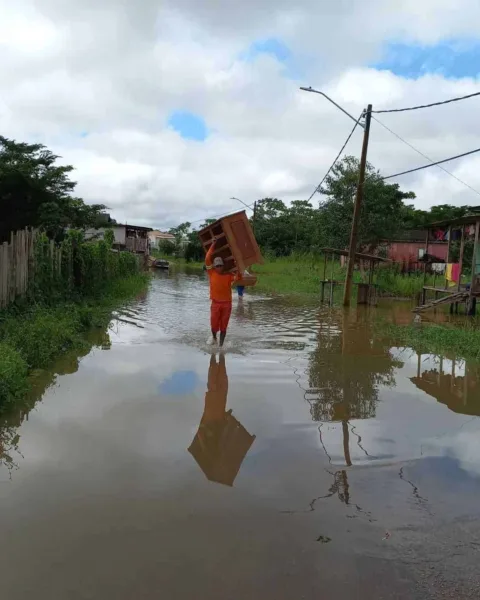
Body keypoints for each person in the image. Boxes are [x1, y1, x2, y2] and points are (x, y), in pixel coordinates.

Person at [205, 237, 242, 346]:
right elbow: (207, 257)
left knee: (224, 326)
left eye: (220, 265)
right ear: (214, 267)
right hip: (215, 303)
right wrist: (213, 244)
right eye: (217, 266)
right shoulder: (211, 273)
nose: (219, 267)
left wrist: (238, 266)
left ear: (223, 266)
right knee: (213, 325)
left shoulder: (228, 276)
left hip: (227, 304)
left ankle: (221, 345)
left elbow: (238, 278)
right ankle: (214, 338)